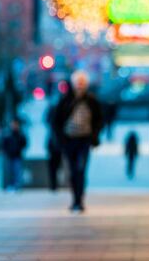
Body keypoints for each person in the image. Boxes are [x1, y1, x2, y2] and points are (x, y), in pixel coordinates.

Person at [52, 70, 102, 213]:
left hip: (84, 140)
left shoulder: (92, 100)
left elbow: (99, 119)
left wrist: (95, 136)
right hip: (69, 141)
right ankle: (75, 199)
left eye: (82, 83)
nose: (80, 86)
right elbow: (56, 121)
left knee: (81, 169)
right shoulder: (65, 100)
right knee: (73, 171)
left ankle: (79, 200)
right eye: (77, 83)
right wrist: (60, 138)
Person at [1, 119, 27, 191]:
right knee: (9, 171)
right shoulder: (8, 134)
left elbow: (24, 143)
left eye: (15, 124)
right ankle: (10, 185)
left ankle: (17, 186)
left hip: (17, 156)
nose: (14, 126)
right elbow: (4, 145)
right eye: (13, 124)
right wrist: (6, 152)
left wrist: (19, 149)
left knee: (17, 171)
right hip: (9, 156)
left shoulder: (21, 134)